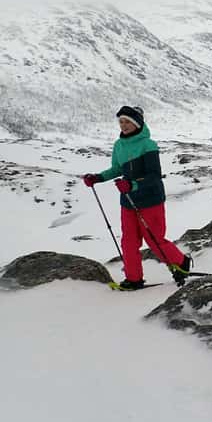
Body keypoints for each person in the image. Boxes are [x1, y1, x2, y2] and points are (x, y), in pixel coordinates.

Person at [82, 106, 192, 290]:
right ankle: (134, 279)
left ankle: (181, 262)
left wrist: (133, 185)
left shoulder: (148, 145)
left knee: (154, 240)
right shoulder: (119, 145)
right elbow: (117, 169)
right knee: (129, 241)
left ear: (137, 123)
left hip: (150, 199)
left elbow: (154, 175)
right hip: (128, 201)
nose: (123, 125)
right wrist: (97, 178)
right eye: (121, 122)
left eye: (127, 122)